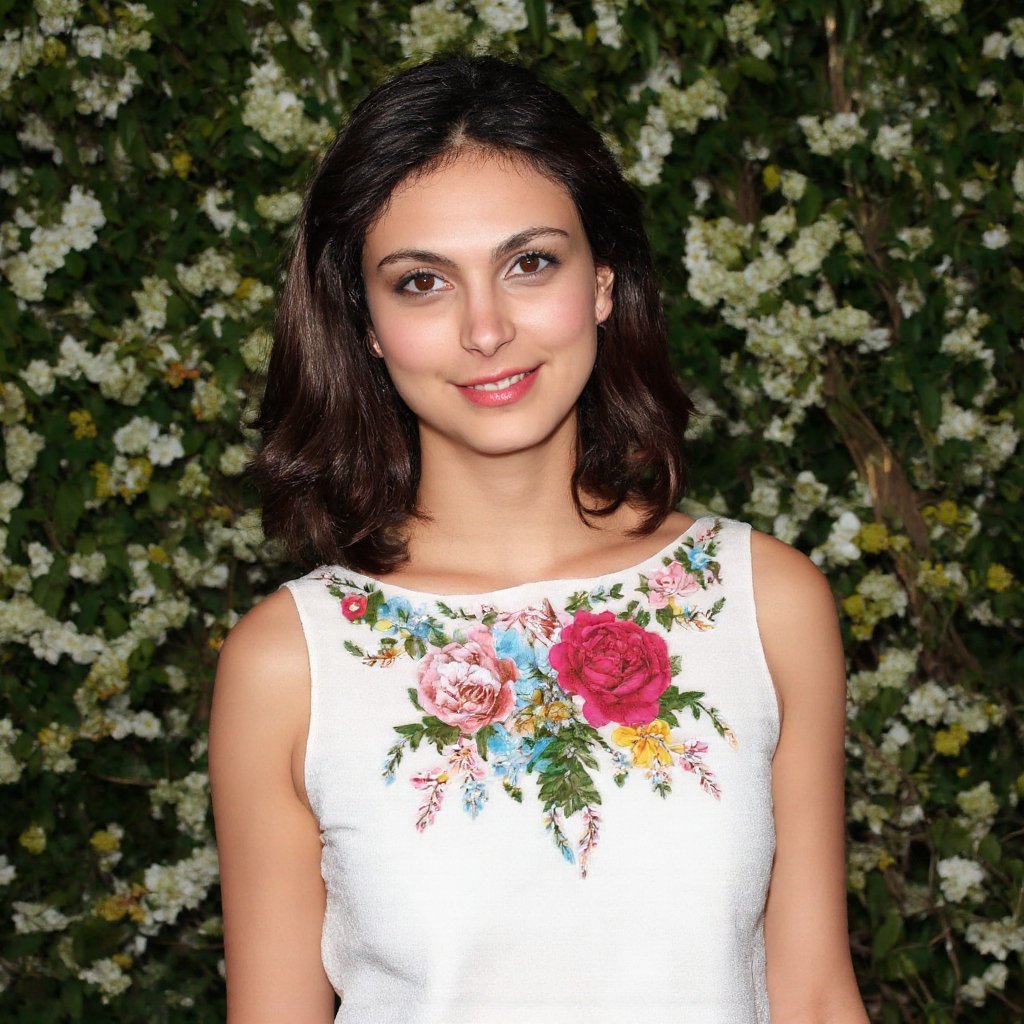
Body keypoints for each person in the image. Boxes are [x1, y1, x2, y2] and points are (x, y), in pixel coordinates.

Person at [209, 53, 870, 1024]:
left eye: (529, 264)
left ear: (602, 282)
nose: (487, 328)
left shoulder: (765, 602)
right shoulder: (288, 662)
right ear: (367, 325)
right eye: (423, 281)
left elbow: (813, 996)